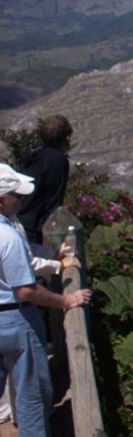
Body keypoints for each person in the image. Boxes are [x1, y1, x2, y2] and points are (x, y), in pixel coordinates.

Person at [0, 164, 91, 436]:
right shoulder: (8, 237)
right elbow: (26, 290)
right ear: (2, 200)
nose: (22, 199)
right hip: (14, 319)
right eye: (17, 194)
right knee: (32, 394)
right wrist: (67, 300)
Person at [17, 116, 73, 245]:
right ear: (64, 137)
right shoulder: (58, 160)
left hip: (19, 218)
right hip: (35, 225)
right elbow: (54, 199)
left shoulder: (32, 156)